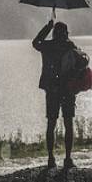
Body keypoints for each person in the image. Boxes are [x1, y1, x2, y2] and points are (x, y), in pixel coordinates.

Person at [32, 19, 77, 169]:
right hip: (67, 90)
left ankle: (51, 158)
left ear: (53, 33)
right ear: (65, 33)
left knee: (51, 123)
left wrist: (47, 27)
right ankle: (68, 158)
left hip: (52, 90)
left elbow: (35, 42)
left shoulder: (47, 46)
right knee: (68, 123)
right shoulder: (69, 46)